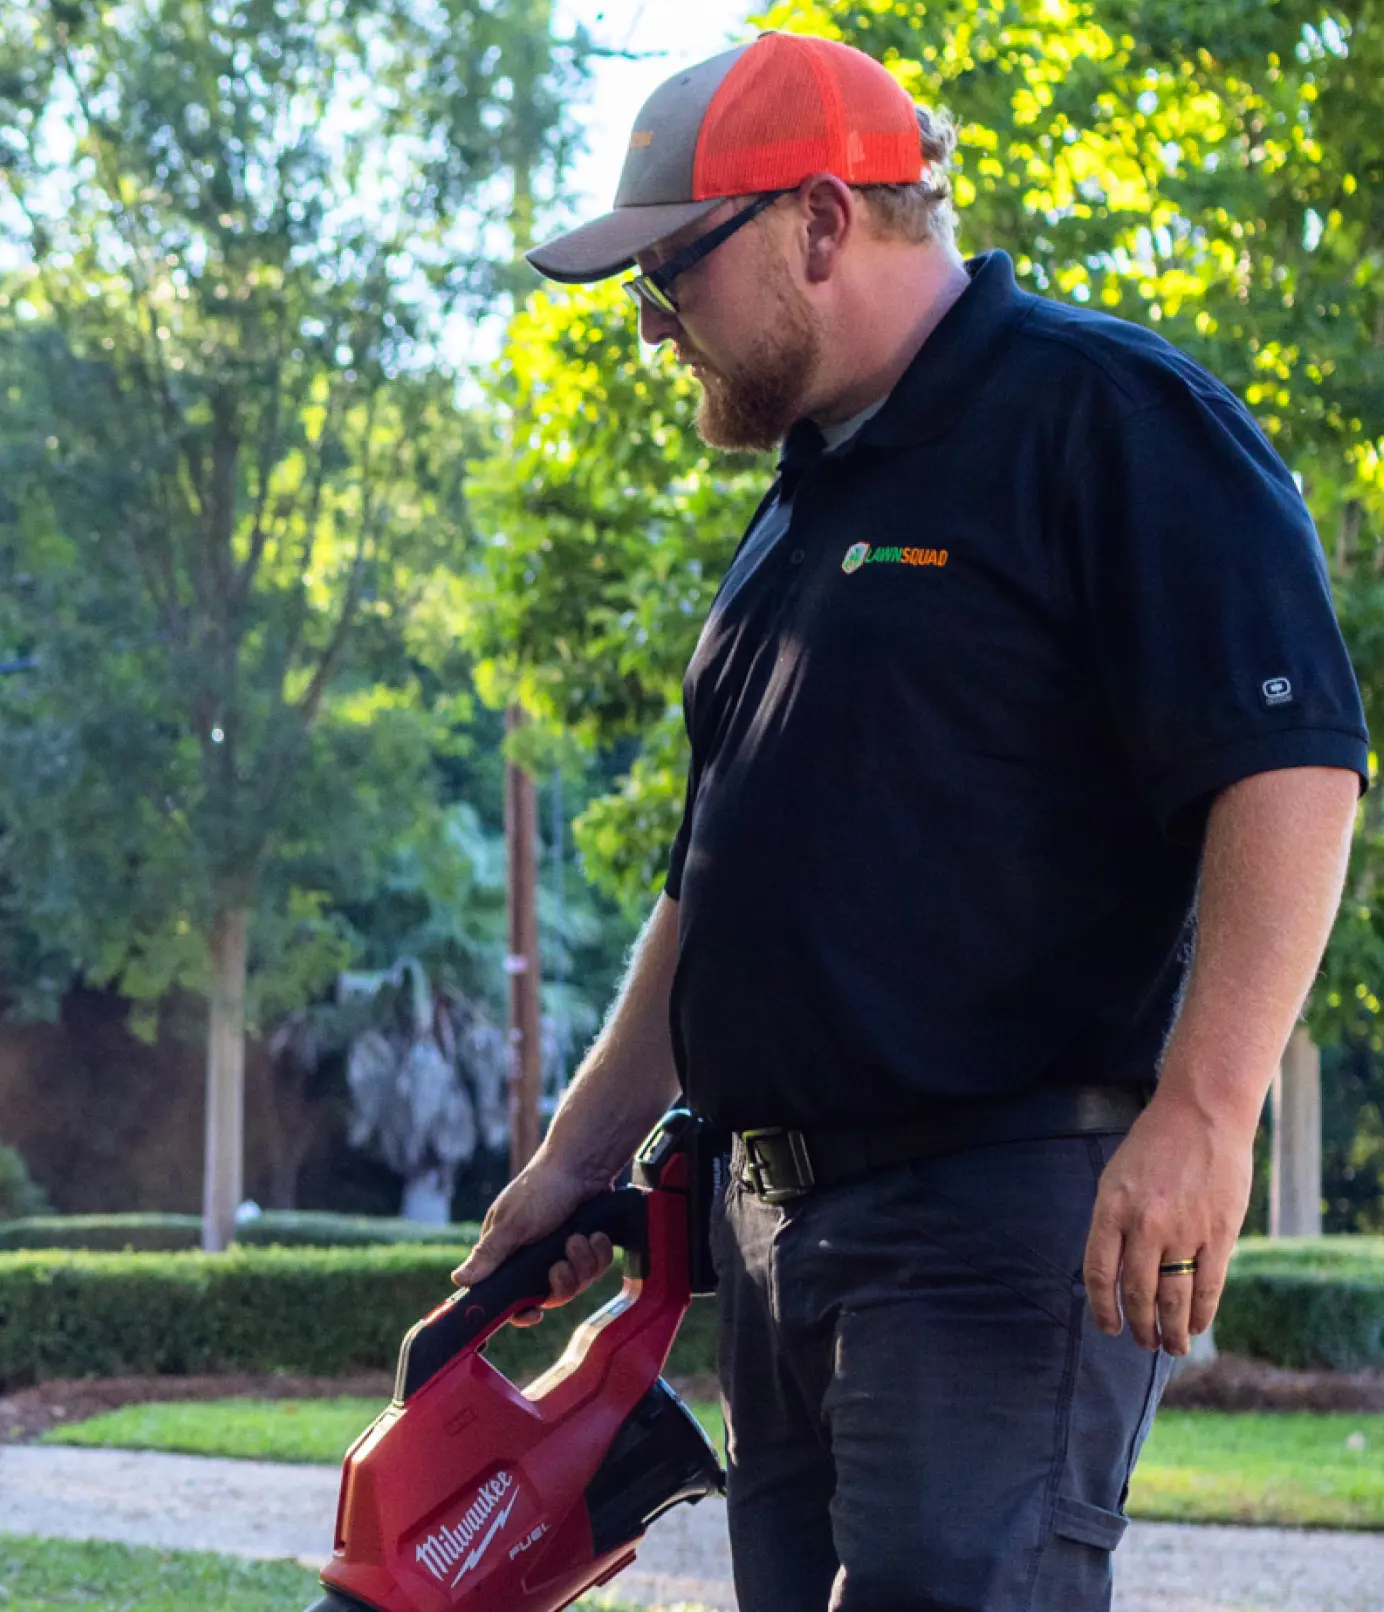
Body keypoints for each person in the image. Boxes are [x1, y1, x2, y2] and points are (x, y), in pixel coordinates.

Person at [454, 30, 1368, 1612]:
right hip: (776, 1229)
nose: (652, 322)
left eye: (673, 268)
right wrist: (573, 1156)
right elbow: (711, 886)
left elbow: (1292, 764)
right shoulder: (807, 500)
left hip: (992, 1215)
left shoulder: (1105, 416)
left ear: (820, 220)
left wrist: (1210, 1113)